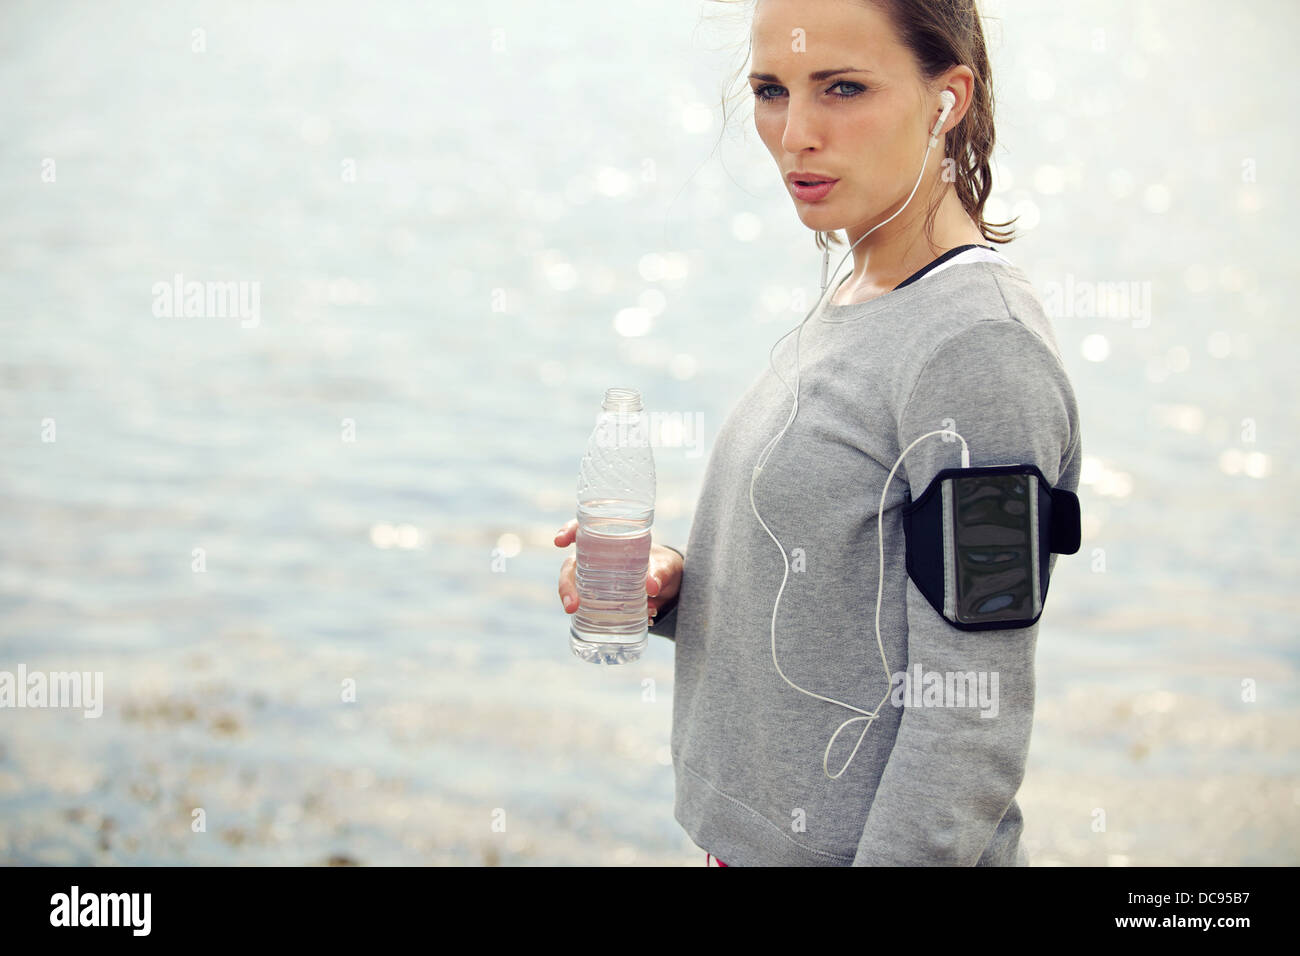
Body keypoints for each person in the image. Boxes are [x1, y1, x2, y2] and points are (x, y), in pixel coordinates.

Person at [556, 0, 1081, 866]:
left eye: (842, 87)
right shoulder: (865, 289)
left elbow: (972, 706)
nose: (795, 132)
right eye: (771, 89)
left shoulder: (979, 349)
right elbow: (845, 587)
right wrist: (681, 587)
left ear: (948, 100)